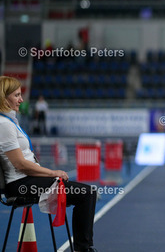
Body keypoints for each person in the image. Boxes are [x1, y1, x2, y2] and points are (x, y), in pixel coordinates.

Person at [0, 76, 98, 252]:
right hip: (20, 184)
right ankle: (84, 249)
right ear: (3, 98)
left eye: (20, 95)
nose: (21, 100)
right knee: (86, 193)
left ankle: (83, 248)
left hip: (27, 180)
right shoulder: (4, 125)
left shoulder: (10, 122)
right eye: (16, 95)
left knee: (87, 192)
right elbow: (20, 164)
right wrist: (53, 173)